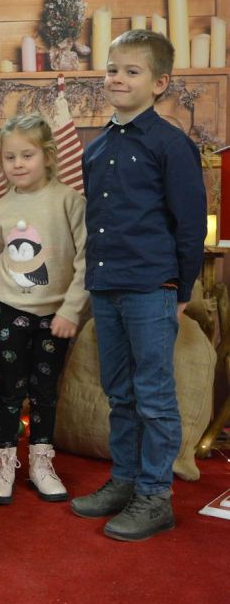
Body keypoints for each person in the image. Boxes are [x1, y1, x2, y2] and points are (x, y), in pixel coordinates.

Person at [71, 29, 207, 541]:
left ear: (159, 83)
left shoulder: (170, 145)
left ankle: (155, 496)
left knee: (153, 394)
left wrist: (181, 290)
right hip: (107, 285)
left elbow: (189, 225)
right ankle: (125, 481)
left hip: (153, 286)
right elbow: (98, 221)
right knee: (120, 393)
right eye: (112, 70)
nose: (118, 79)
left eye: (132, 71)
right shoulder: (97, 146)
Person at [0, 114, 88, 504]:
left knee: (45, 390)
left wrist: (71, 310)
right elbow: (3, 254)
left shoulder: (69, 201)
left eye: (27, 155)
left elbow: (86, 259)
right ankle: (3, 463)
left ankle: (41, 462)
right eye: (9, 157)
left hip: (55, 315)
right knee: (10, 389)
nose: (18, 164)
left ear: (47, 155)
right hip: (10, 309)